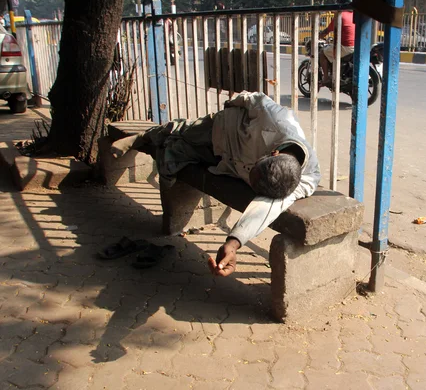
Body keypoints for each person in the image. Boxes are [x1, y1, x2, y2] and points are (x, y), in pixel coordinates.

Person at [110, 92, 321, 277]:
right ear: (272, 153)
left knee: (176, 152)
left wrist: (233, 243)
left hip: (227, 161)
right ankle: (141, 137)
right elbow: (253, 99)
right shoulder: (278, 119)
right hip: (226, 127)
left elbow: (268, 207)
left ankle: (160, 146)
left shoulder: (306, 180)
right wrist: (232, 104)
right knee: (179, 130)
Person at [318, 0, 355, 87]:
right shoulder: (354, 15)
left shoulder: (340, 15)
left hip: (345, 47)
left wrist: (319, 35)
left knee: (322, 53)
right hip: (356, 47)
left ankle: (326, 78)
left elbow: (327, 30)